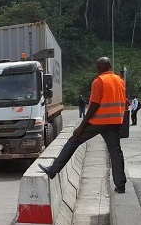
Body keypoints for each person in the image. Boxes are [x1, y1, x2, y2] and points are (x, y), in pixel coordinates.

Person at [39, 57, 127, 193]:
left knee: (74, 140)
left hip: (99, 121)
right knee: (116, 152)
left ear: (99, 68)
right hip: (115, 122)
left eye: (96, 67)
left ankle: (53, 170)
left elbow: (93, 105)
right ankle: (120, 186)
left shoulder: (99, 81)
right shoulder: (120, 80)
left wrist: (81, 126)